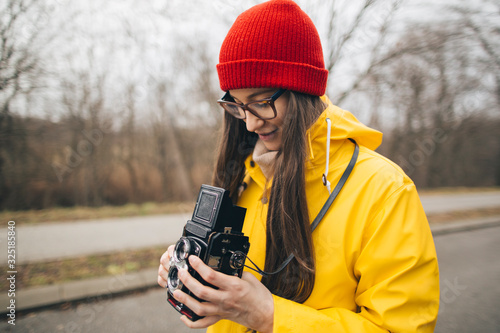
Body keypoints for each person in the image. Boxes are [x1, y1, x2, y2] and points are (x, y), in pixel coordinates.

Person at [157, 0, 440, 332]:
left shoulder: (384, 189)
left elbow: (399, 328)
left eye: (261, 102)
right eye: (236, 105)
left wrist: (268, 316)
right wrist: (194, 270)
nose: (249, 124)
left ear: (304, 90)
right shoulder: (247, 176)